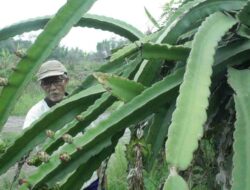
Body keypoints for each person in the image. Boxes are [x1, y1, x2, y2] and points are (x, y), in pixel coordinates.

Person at [22, 59, 99, 190]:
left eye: (57, 80)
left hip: (86, 178)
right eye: (47, 82)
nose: (53, 87)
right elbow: (25, 144)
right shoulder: (35, 113)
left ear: (66, 81)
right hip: (55, 181)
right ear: (41, 86)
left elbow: (95, 137)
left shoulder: (81, 106)